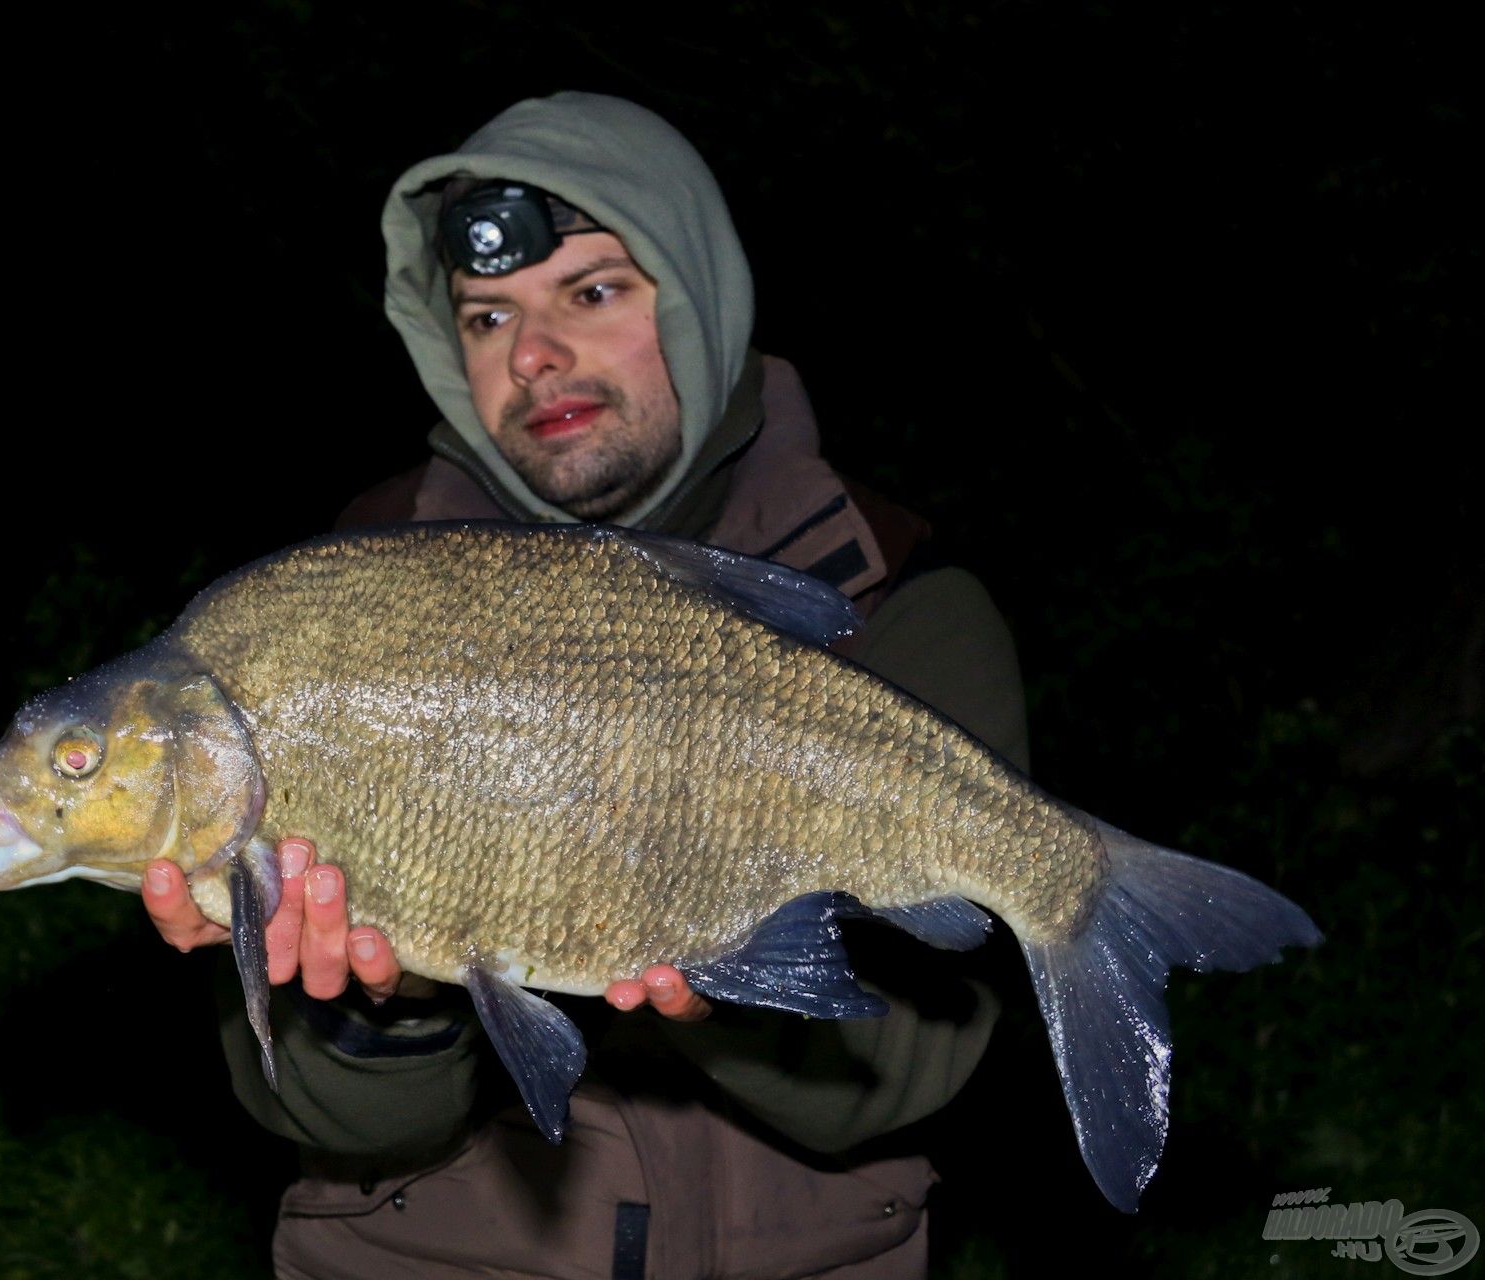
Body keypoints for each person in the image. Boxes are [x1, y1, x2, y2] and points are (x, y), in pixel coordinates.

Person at [144, 91, 1029, 1279]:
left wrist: (720, 977)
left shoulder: (893, 594)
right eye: (487, 315)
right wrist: (393, 996)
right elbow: (335, 1125)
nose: (534, 354)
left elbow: (903, 1083)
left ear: (699, 297)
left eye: (595, 292)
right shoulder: (345, 602)